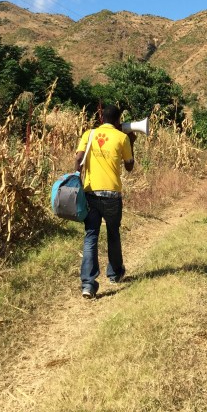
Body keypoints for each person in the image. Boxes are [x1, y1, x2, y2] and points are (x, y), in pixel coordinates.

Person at [75, 104, 135, 298]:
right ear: (118, 120)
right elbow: (129, 167)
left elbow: (78, 160)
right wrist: (131, 142)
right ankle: (114, 273)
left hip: (91, 193)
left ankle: (88, 284)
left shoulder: (89, 134)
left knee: (91, 236)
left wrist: (77, 177)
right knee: (113, 233)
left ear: (101, 118)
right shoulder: (122, 137)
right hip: (112, 196)